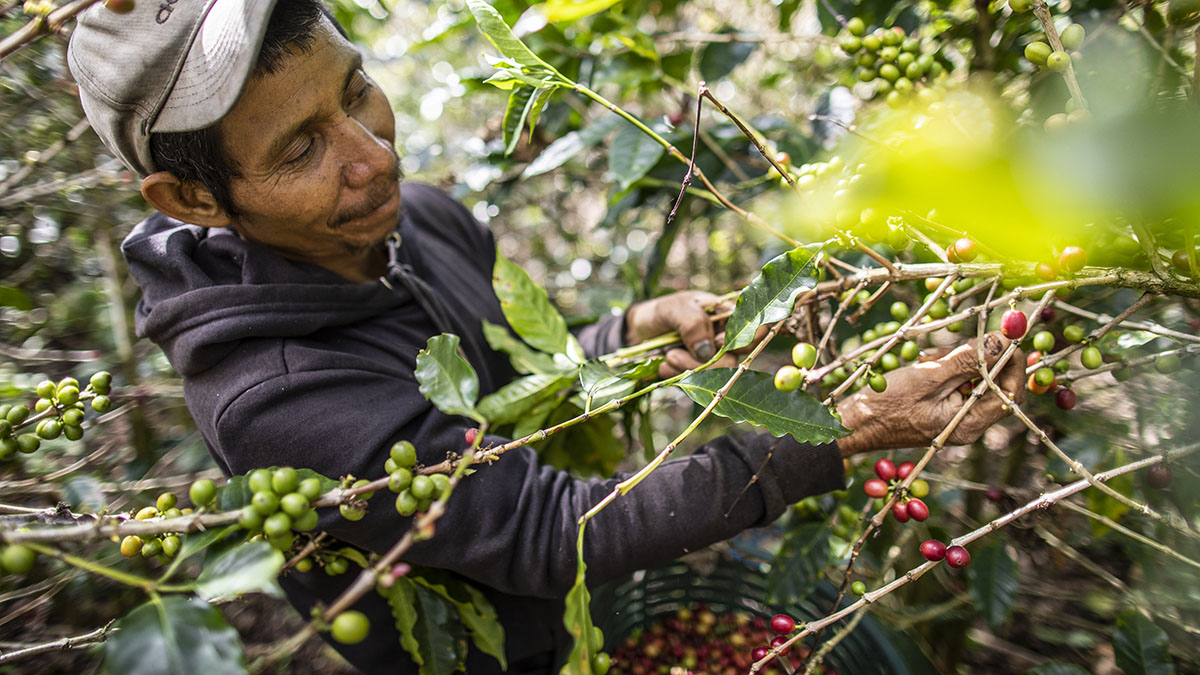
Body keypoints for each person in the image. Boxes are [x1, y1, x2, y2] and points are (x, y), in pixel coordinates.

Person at [66, 1, 1025, 672]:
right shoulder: (275, 395)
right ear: (194, 198)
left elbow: (504, 376)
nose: (375, 156)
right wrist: (841, 428)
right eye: (301, 149)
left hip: (560, 606)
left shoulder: (415, 214)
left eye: (354, 94)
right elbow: (537, 526)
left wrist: (626, 331)